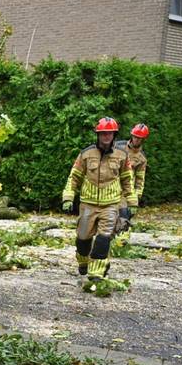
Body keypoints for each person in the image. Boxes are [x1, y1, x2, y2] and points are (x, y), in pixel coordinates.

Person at [61, 117, 134, 290]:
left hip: (111, 204)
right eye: (103, 134)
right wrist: (68, 196)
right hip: (88, 204)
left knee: (103, 239)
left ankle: (96, 275)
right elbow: (75, 176)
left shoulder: (122, 156)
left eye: (109, 133)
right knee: (82, 239)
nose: (106, 136)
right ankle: (84, 262)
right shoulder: (86, 154)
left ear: (114, 135)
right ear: (98, 135)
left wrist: (131, 201)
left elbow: (127, 179)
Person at [115, 123, 149, 234]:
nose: (136, 140)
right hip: (112, 188)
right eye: (134, 137)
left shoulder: (142, 158)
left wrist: (136, 198)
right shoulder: (118, 147)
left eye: (139, 138)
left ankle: (121, 241)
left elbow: (140, 179)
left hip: (126, 193)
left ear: (143, 140)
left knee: (124, 216)